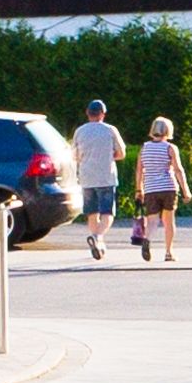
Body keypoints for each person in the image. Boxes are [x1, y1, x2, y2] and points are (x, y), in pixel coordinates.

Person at [69, 98, 128, 263]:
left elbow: (74, 155)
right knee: (107, 212)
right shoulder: (110, 130)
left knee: (92, 213)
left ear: (88, 113)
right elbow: (121, 153)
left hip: (87, 177)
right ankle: (98, 237)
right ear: (103, 114)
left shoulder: (80, 131)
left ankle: (98, 246)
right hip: (106, 177)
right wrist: (110, 157)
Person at [135, 113, 192, 262]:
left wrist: (139, 189)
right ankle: (168, 252)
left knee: (152, 220)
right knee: (169, 222)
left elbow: (139, 170)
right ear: (168, 131)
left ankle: (147, 239)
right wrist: (186, 190)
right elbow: (178, 169)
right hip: (168, 188)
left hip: (151, 189)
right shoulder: (170, 148)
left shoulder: (144, 148)